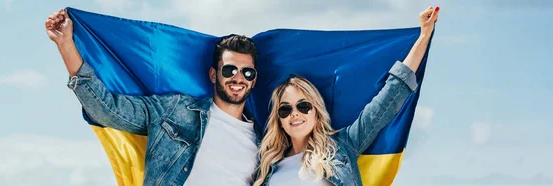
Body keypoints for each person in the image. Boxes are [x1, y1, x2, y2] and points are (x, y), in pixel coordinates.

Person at [45, 8, 264, 186]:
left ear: (253, 80)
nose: (238, 78)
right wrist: (66, 45)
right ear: (214, 75)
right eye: (229, 70)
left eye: (247, 72)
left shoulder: (267, 141)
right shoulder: (176, 110)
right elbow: (107, 110)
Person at [253, 6, 440, 186]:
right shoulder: (268, 166)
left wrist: (423, 37)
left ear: (316, 112)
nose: (294, 113)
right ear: (279, 119)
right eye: (285, 109)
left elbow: (388, 100)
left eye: (303, 106)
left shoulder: (343, 146)